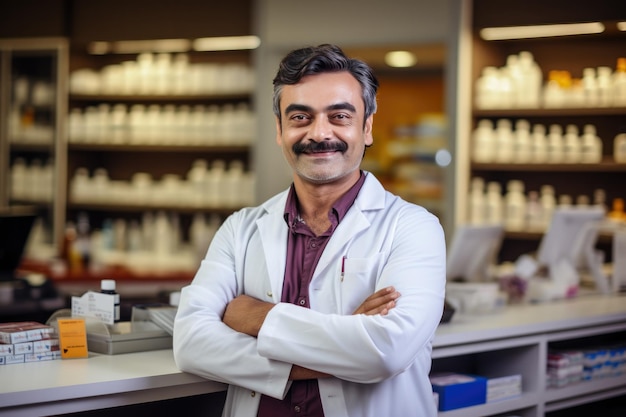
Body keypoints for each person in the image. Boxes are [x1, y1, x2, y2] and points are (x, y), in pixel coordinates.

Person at [173, 43, 446, 417]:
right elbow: (191, 343)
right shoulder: (241, 229)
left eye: (339, 116)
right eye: (300, 117)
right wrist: (347, 337)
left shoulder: (413, 228)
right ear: (279, 129)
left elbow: (386, 352)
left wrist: (253, 316)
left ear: (366, 128)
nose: (319, 133)